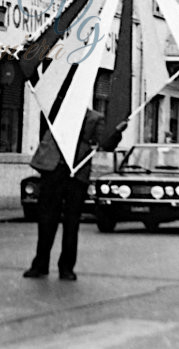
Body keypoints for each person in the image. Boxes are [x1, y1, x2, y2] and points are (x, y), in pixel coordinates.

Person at [23, 108, 124, 281]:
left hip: (76, 174)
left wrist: (117, 132)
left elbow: (105, 145)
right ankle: (40, 264)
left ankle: (66, 267)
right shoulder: (54, 112)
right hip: (53, 172)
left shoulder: (95, 118)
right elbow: (45, 136)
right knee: (46, 220)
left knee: (71, 222)